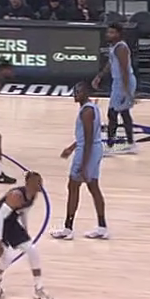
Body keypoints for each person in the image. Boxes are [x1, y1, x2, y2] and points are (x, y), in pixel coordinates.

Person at [50, 82, 108, 241]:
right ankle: (102, 227)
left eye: (79, 91)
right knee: (93, 187)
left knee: (73, 186)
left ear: (86, 93)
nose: (75, 94)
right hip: (94, 149)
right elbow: (86, 136)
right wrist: (71, 148)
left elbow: (88, 140)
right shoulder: (90, 107)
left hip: (88, 150)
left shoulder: (87, 111)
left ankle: (68, 229)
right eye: (75, 91)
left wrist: (83, 164)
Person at [0, 171, 52, 299]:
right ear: (29, 183)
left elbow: (23, 213)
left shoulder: (32, 196)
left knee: (32, 250)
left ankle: (38, 288)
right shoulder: (16, 196)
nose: (40, 184)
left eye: (41, 181)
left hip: (11, 222)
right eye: (37, 182)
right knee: (7, 256)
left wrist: (25, 231)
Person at [95, 23, 137, 153]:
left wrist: (127, 92)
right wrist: (100, 76)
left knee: (112, 113)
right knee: (124, 112)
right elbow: (110, 63)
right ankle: (131, 143)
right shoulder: (113, 46)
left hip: (124, 82)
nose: (109, 35)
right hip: (118, 82)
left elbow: (124, 70)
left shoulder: (121, 48)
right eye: (108, 32)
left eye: (112, 32)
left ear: (118, 34)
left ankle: (110, 145)